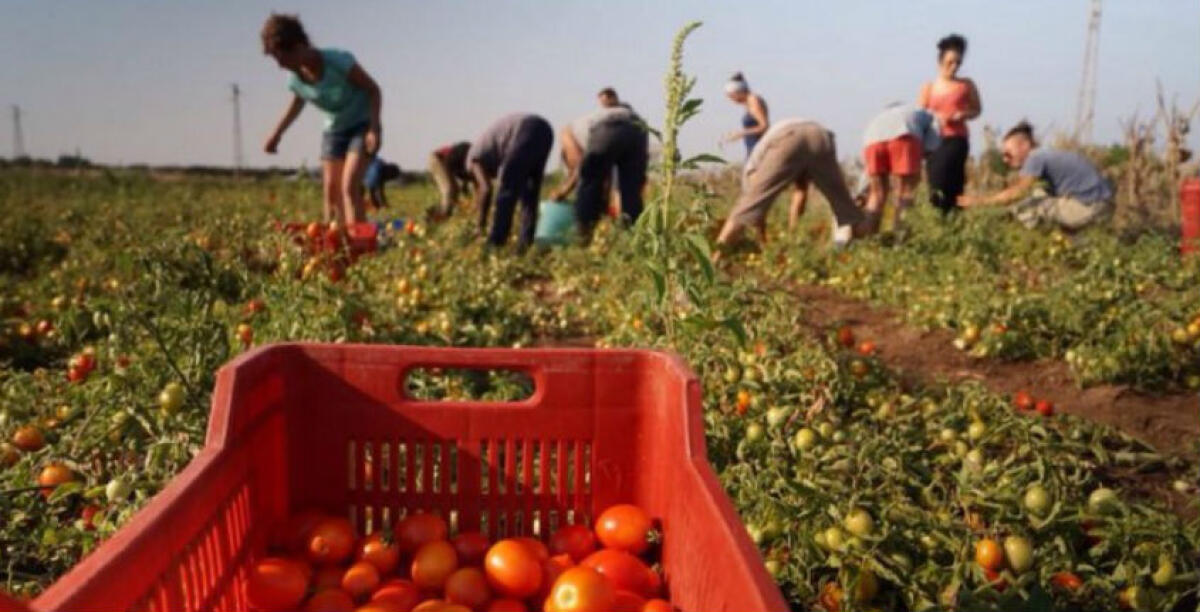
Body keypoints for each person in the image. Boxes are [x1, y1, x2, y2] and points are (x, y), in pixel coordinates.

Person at [260, 13, 383, 226]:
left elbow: (373, 90)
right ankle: (333, 240)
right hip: (334, 131)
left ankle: (360, 242)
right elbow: (297, 103)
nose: (281, 66)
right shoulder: (295, 79)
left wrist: (374, 128)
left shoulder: (338, 61)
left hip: (362, 124)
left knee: (349, 186)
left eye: (283, 59)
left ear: (299, 47)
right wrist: (277, 134)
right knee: (331, 192)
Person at [715, 119, 865, 253]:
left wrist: (762, 242)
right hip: (820, 133)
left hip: (789, 136)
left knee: (747, 207)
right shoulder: (789, 160)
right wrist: (792, 234)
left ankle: (715, 258)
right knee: (843, 205)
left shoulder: (750, 172)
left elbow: (756, 211)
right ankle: (852, 249)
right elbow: (800, 194)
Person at [959, 121, 1114, 230]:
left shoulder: (1035, 158)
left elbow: (1017, 193)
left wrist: (979, 202)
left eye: (1008, 154)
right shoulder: (1046, 155)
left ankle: (1027, 241)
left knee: (1029, 206)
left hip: (1090, 207)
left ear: (1024, 145)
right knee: (1038, 194)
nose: (1005, 160)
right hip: (1101, 205)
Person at [468, 113, 554, 250]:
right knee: (530, 195)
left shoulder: (472, 160)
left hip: (525, 130)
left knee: (507, 191)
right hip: (545, 130)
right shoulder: (486, 150)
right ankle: (524, 245)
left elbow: (486, 189)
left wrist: (480, 225)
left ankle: (496, 244)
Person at [918, 34, 982, 213]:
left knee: (952, 181)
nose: (954, 67)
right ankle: (937, 216)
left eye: (958, 63)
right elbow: (920, 115)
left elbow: (977, 109)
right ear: (940, 62)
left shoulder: (966, 85)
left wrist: (963, 114)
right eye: (950, 62)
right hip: (934, 140)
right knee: (935, 182)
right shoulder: (928, 87)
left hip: (956, 139)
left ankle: (954, 215)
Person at [860, 104, 941, 233]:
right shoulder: (929, 116)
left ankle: (867, 238)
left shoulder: (882, 116)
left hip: (872, 140)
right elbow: (932, 147)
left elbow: (866, 170)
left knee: (876, 195)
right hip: (904, 135)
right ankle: (900, 238)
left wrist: (861, 188)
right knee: (905, 193)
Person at [429, 141, 471, 216]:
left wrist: (465, 185)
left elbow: (465, 171)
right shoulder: (468, 153)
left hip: (446, 161)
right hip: (438, 159)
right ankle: (443, 215)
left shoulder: (470, 155)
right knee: (448, 189)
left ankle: (444, 212)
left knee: (455, 189)